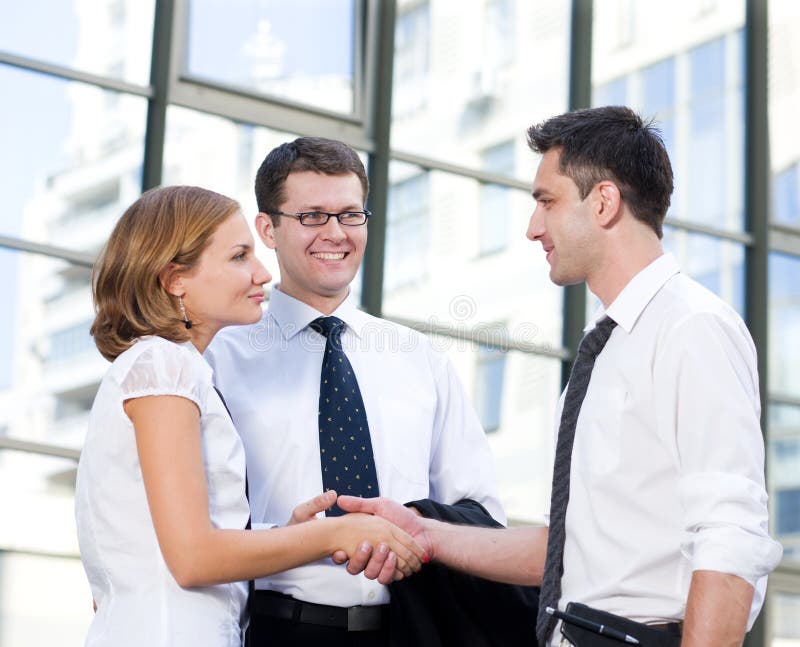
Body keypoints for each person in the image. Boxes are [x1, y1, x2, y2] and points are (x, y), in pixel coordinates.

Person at [338, 106, 783, 647]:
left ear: (604, 202)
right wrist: (424, 533)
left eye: (546, 201)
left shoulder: (692, 327)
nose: (533, 228)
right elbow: (567, 548)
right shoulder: (609, 345)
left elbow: (731, 535)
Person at [75, 185, 424, 647]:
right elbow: (193, 558)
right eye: (239, 256)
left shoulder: (170, 367)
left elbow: (156, 542)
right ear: (175, 279)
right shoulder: (163, 366)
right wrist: (337, 532)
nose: (262, 273)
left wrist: (284, 535)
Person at [204, 137, 507, 646]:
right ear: (268, 229)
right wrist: (295, 537)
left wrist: (409, 525)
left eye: (350, 215)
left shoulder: (420, 358)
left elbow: (479, 512)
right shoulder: (218, 361)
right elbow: (195, 527)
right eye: (312, 216)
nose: (336, 233)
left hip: (409, 629)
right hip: (280, 632)